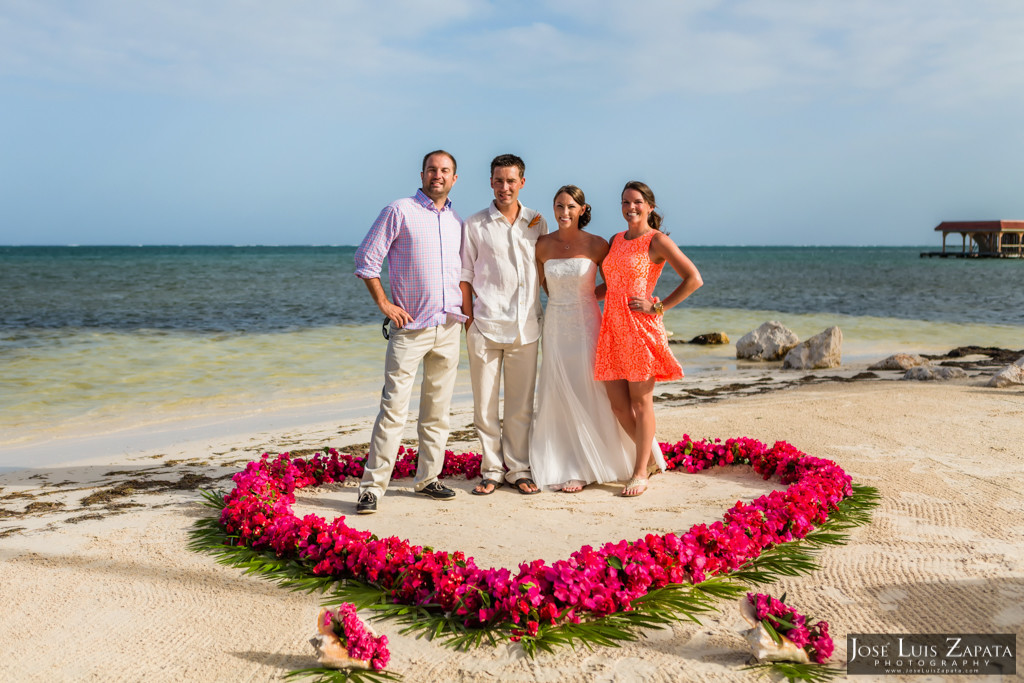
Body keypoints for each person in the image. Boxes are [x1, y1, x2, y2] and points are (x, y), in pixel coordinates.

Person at [529, 185, 667, 493]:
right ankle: (569, 462)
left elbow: (616, 283)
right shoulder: (541, 245)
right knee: (558, 391)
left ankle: (616, 463)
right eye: (559, 206)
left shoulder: (599, 244)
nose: (564, 212)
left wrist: (649, 305)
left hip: (590, 322)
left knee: (593, 392)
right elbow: (541, 285)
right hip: (555, 324)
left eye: (570, 207)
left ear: (582, 210)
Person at [352, 150, 465, 514]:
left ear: (454, 178)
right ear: (422, 173)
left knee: (438, 410)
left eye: (445, 171)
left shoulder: (456, 221)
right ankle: (372, 488)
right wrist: (384, 304)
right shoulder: (399, 210)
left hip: (448, 327)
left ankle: (428, 478)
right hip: (410, 328)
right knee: (393, 410)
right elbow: (366, 259)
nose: (438, 176)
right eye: (432, 170)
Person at [594, 180, 704, 497]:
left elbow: (693, 278)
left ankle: (640, 471)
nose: (631, 207)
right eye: (626, 202)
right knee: (618, 406)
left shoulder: (656, 241)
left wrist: (658, 306)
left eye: (638, 202)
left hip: (640, 330)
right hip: (612, 329)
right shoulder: (615, 240)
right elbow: (610, 287)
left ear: (650, 207)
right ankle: (654, 458)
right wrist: (578, 295)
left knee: (642, 404)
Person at [460, 154, 547, 495]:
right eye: (499, 180)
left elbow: (544, 270)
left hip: (526, 327)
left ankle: (519, 469)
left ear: (522, 182)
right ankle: (492, 470)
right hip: (484, 325)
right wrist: (468, 320)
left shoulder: (537, 223)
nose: (504, 187)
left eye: (511, 181)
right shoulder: (475, 224)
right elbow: (465, 275)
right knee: (484, 405)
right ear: (491, 182)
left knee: (520, 406)